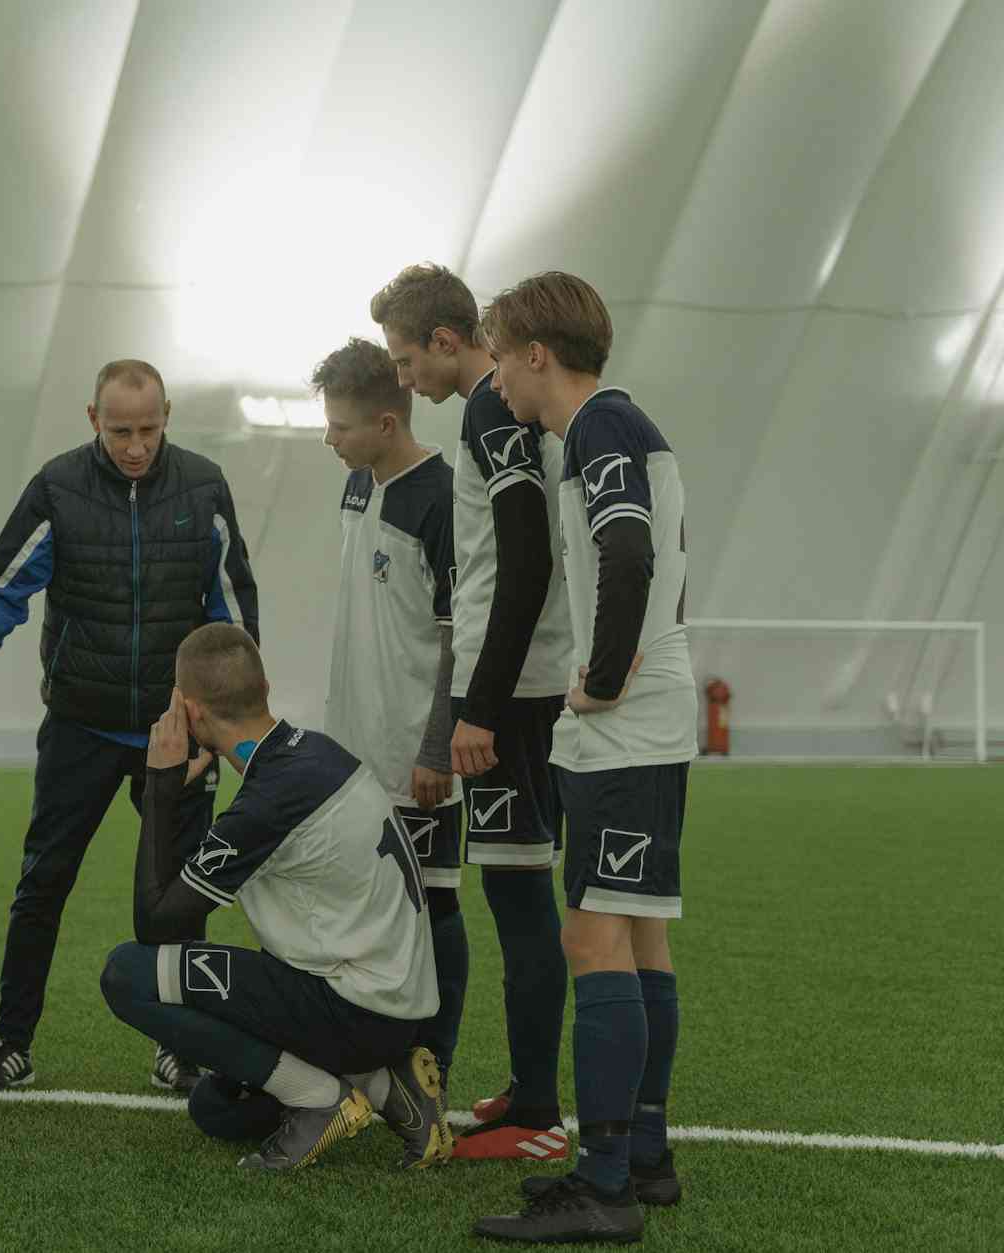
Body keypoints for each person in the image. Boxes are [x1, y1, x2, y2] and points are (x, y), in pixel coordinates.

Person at [0, 359, 259, 1094]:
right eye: (119, 430)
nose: (135, 446)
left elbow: (232, 611)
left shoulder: (203, 487)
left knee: (179, 894)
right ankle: (11, 1043)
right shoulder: (59, 487)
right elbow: (5, 587)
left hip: (175, 734)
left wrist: (226, 728)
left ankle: (179, 1045)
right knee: (42, 883)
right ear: (92, 419)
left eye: (148, 429)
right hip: (81, 726)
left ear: (167, 417)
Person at [471, 272, 692, 1244]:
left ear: (535, 354)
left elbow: (628, 551)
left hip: (625, 728)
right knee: (638, 937)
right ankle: (643, 1157)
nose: (495, 383)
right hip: (648, 721)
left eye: (499, 360)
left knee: (593, 938)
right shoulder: (617, 427)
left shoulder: (601, 426)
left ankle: (603, 1183)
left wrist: (601, 675)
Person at [98, 624, 451, 1172]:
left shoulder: (270, 801)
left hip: (354, 1009)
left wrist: (160, 786)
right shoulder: (317, 754)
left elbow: (156, 923)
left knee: (126, 974)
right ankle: (389, 1087)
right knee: (219, 1109)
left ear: (189, 712)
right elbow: (187, 893)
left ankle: (322, 1099)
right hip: (385, 1009)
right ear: (264, 688)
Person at [375, 263, 574, 1161]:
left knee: (522, 898)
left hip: (517, 694)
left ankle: (538, 1116)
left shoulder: (491, 409)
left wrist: (479, 706)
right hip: (524, 685)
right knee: (516, 892)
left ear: (446, 341)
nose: (403, 377)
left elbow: (525, 562)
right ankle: (530, 1091)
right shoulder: (502, 410)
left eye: (406, 358)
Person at [311, 337, 467, 1098]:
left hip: (414, 756)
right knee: (364, 906)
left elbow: (457, 637)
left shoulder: (441, 498)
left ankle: (435, 1070)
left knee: (433, 904)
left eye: (339, 426)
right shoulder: (357, 484)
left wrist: (436, 748)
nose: (329, 438)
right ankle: (371, 1061)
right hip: (355, 751)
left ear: (385, 422)